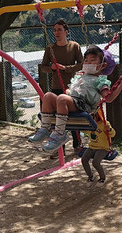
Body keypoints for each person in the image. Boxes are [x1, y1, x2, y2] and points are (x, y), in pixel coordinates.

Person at [29, 45, 122, 152]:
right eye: (86, 60)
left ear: (102, 66)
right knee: (48, 96)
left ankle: (59, 134)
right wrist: (68, 92)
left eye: (92, 60)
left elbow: (108, 98)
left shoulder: (100, 81)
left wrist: (121, 85)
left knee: (62, 98)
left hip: (84, 106)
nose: (88, 63)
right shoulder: (79, 76)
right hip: (73, 102)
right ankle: (45, 128)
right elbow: (70, 90)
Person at [38, 19, 84, 157]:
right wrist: (52, 68)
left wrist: (66, 68)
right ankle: (60, 150)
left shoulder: (74, 46)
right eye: (55, 30)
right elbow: (43, 67)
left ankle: (77, 144)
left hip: (72, 87)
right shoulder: (50, 48)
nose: (56, 32)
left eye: (59, 30)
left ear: (66, 32)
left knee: (73, 118)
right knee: (58, 119)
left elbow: (81, 64)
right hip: (57, 87)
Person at [81, 111, 116, 183]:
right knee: (84, 160)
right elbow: (84, 131)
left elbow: (113, 134)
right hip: (92, 147)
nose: (91, 120)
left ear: (97, 116)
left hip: (103, 148)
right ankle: (90, 176)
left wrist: (109, 129)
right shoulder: (88, 124)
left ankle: (102, 178)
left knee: (95, 162)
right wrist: (79, 126)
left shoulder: (104, 123)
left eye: (92, 118)